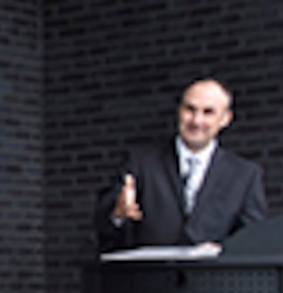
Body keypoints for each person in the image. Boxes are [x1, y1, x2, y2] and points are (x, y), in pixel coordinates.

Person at [96, 78, 266, 252]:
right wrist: (117, 214)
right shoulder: (140, 162)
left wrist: (222, 250)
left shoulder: (245, 174)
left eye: (208, 112)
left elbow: (252, 239)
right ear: (179, 110)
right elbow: (104, 228)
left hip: (213, 277)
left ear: (225, 119)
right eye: (190, 109)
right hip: (152, 276)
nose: (196, 120)